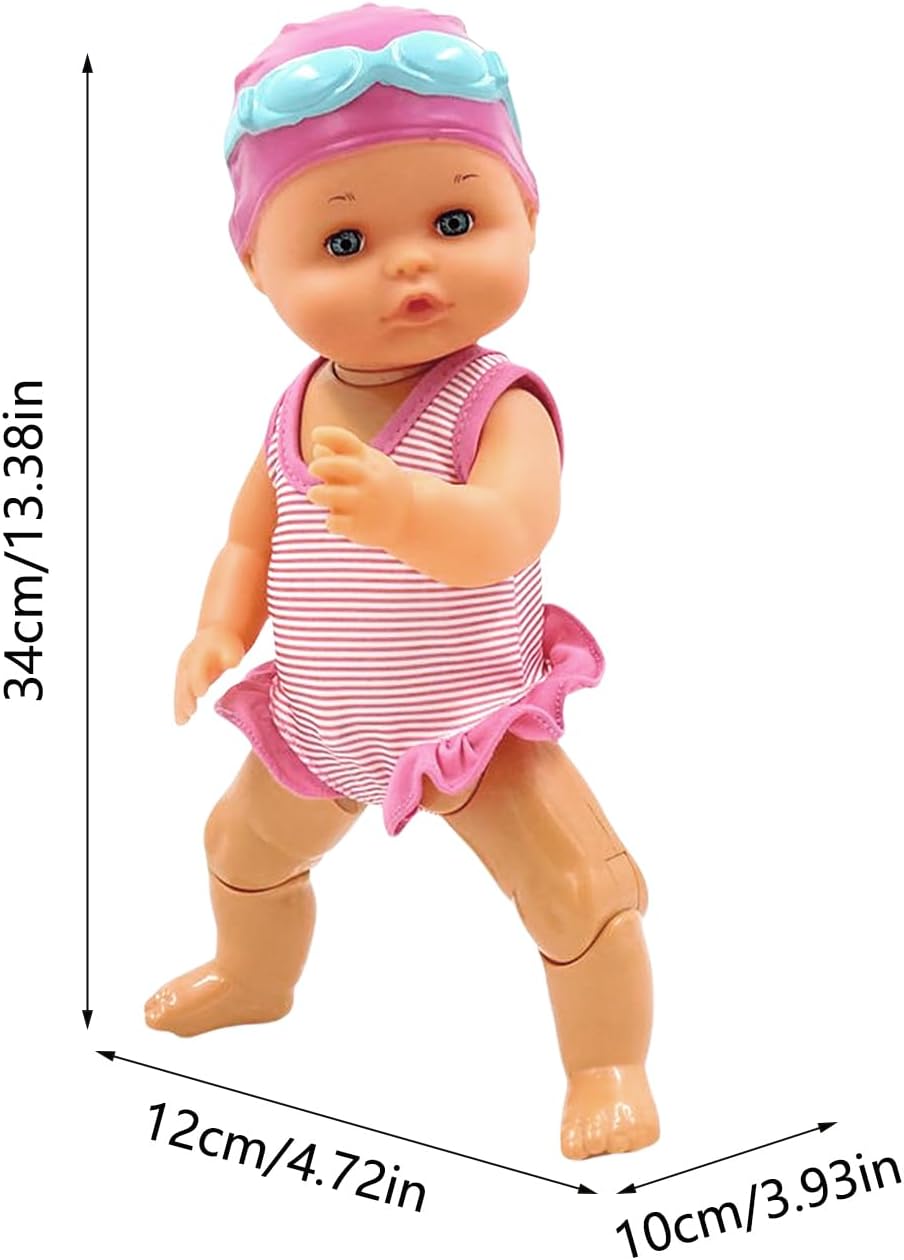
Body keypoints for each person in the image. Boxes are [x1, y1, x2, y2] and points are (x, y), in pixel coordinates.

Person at [145, 2, 660, 1160]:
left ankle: (608, 1066)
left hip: (472, 720)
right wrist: (218, 630)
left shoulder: (495, 402)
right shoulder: (293, 409)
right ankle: (252, 976)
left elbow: (508, 530)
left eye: (456, 219)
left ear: (529, 214)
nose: (410, 262)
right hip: (324, 720)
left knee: (580, 894)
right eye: (343, 243)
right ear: (255, 267)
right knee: (239, 851)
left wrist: (407, 511)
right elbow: (250, 539)